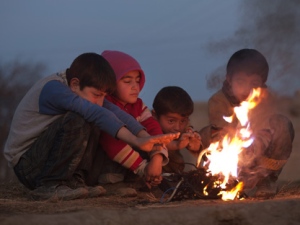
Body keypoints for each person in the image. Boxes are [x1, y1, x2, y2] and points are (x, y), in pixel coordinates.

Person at [3, 52, 178, 201]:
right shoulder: (54, 89)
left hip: (45, 159)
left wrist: (143, 136)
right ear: (74, 84)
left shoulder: (80, 90)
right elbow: (96, 112)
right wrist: (135, 141)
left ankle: (75, 182)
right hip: (28, 165)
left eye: (103, 96)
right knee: (80, 118)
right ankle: (51, 185)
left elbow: (115, 112)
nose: (100, 101)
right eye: (96, 95)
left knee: (97, 116)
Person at [203, 48, 294, 197]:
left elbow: (267, 131)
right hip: (233, 157)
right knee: (204, 134)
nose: (247, 89)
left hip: (260, 157)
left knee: (282, 124)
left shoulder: (266, 99)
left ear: (262, 84)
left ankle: (266, 179)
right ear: (228, 79)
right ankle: (223, 179)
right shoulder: (218, 101)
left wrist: (256, 148)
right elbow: (221, 136)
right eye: (241, 82)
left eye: (254, 83)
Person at [98, 50, 190, 187]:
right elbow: (112, 144)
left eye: (138, 81)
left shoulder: (138, 105)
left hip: (135, 163)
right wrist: (143, 168)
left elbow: (154, 130)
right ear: (110, 83)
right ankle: (117, 183)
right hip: (106, 166)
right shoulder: (103, 105)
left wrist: (157, 159)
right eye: (127, 81)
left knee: (157, 145)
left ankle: (151, 178)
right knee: (116, 134)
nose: (135, 86)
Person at [152, 86, 202, 173]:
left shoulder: (185, 129)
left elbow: (189, 130)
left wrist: (196, 147)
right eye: (171, 121)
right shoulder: (146, 131)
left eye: (182, 121)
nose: (177, 128)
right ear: (155, 116)